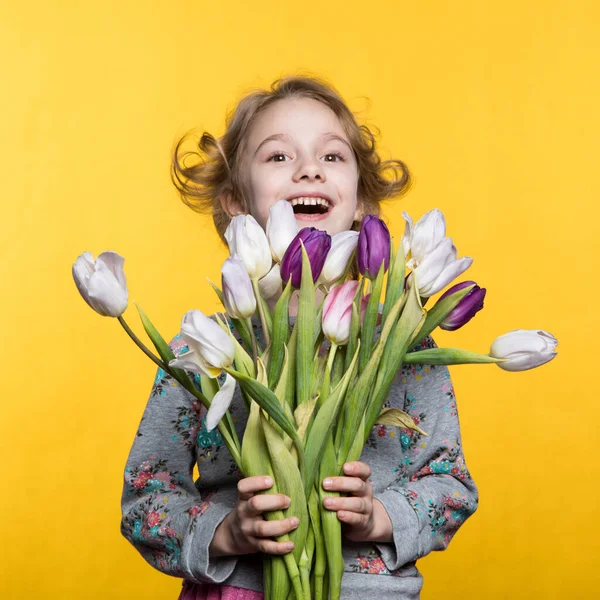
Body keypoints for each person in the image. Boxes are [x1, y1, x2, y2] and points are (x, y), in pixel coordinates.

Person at [120, 75, 478, 600]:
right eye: (278, 157)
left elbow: (452, 485)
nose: (310, 168)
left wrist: (379, 516)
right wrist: (226, 532)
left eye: (332, 157)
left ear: (362, 206)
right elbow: (145, 496)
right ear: (236, 204)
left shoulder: (402, 349)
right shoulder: (202, 349)